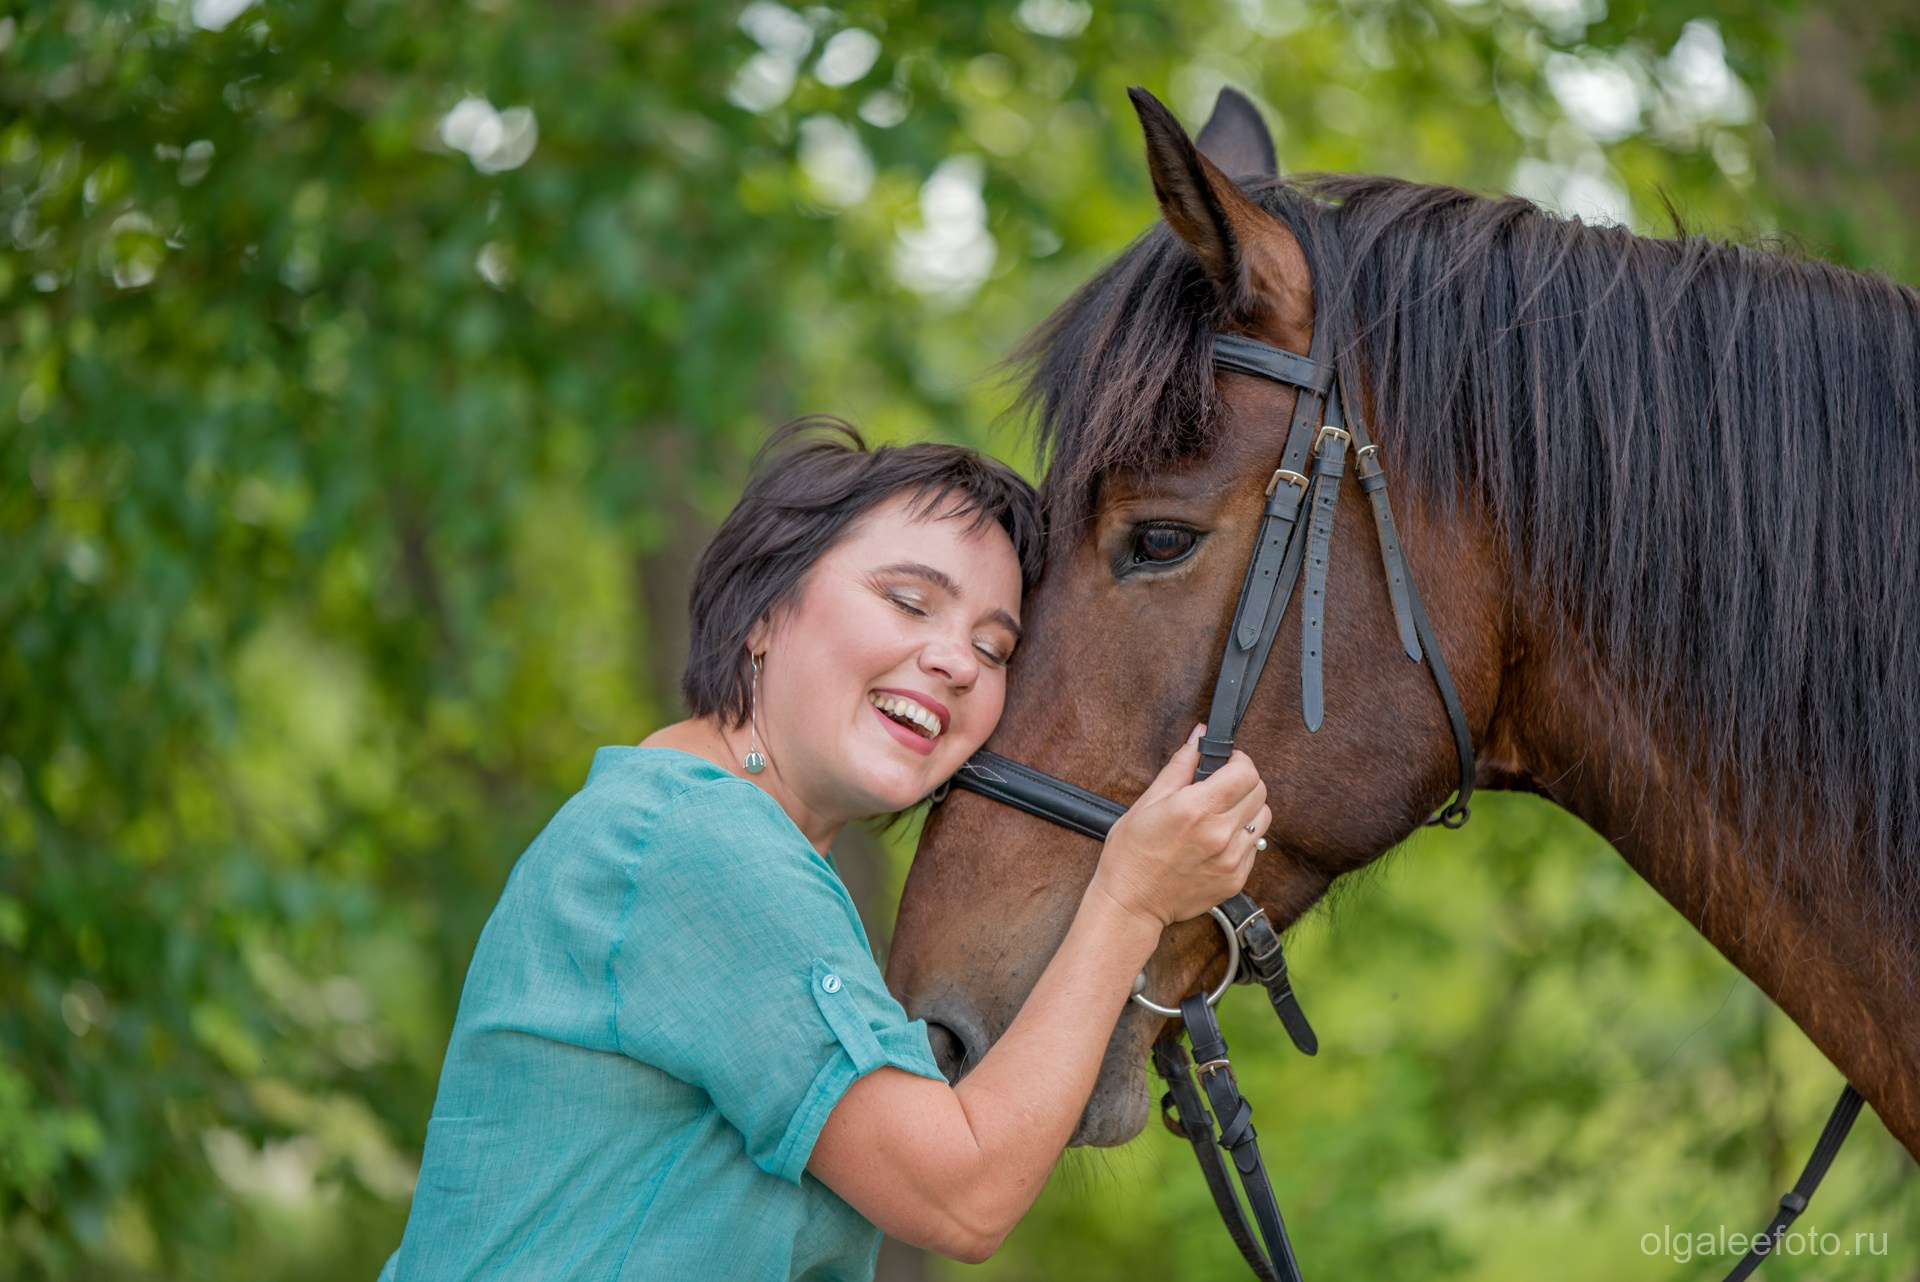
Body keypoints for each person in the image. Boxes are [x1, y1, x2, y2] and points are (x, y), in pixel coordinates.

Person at [378, 418, 1269, 1280]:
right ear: (763, 612)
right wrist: (1130, 901)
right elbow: (961, 1195)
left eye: (994, 648)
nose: (957, 661)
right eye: (908, 600)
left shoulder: (694, 832)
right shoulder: (697, 843)